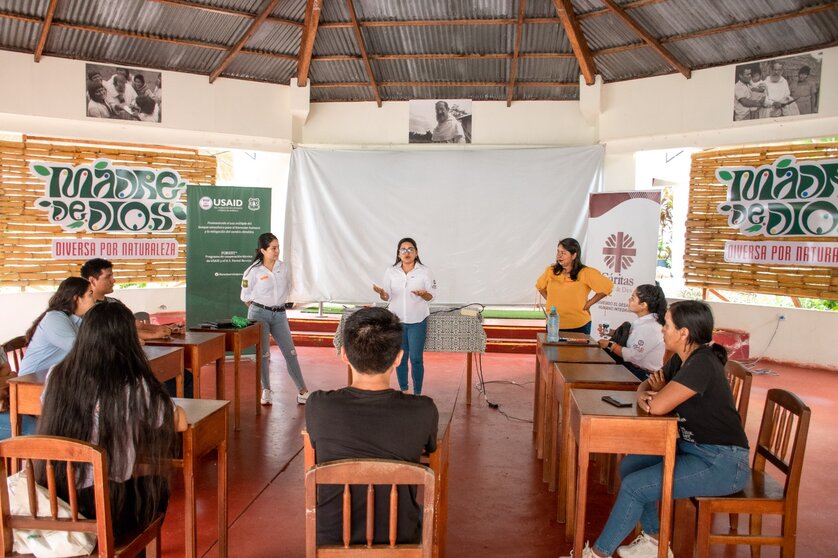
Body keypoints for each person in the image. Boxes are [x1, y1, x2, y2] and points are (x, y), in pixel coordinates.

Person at [564, 300, 750, 558]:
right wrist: (648, 395)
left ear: (684, 333)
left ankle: (597, 554)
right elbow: (645, 387)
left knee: (635, 486)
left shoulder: (702, 364)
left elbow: (658, 405)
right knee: (630, 467)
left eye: (668, 325)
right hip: (691, 449)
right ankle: (653, 542)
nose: (663, 329)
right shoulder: (681, 360)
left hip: (722, 462)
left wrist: (654, 396)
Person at [37, 302, 187, 543]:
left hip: (55, 500)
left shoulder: (57, 373)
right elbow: (178, 422)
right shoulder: (133, 382)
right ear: (128, 339)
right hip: (105, 506)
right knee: (156, 485)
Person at [306, 306, 439, 545]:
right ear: (399, 358)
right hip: (400, 536)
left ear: (344, 354)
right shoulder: (423, 410)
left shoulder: (318, 405)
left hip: (332, 537)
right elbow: (430, 448)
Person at [81, 258, 192, 398]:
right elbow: (120, 333)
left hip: (132, 356)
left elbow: (136, 325)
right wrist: (155, 334)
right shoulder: (88, 309)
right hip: (114, 364)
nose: (113, 280)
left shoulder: (114, 302)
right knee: (168, 378)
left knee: (181, 374)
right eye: (108, 276)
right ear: (92, 280)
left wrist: (166, 328)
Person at [241, 233, 309, 405]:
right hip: (259, 315)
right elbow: (245, 296)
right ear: (263, 250)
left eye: (278, 247)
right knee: (263, 354)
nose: (277, 251)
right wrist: (260, 311)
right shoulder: (252, 271)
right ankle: (266, 390)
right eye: (273, 248)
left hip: (279, 315)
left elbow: (289, 288)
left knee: (290, 353)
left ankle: (303, 391)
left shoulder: (283, 267)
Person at [372, 237, 436, 395]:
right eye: (403, 249)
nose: (407, 252)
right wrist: (382, 293)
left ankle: (417, 393)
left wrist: (424, 294)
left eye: (410, 249)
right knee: (400, 359)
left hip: (418, 321)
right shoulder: (391, 271)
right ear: (398, 253)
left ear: (416, 252)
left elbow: (432, 296)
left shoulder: (425, 271)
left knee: (416, 359)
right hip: (397, 322)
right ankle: (404, 391)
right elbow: (387, 296)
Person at [18, 277, 96, 376]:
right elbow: (82, 351)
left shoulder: (76, 319)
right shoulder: (54, 319)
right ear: (77, 298)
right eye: (90, 295)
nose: (94, 300)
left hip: (53, 377)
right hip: (31, 380)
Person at [535, 238, 613, 335]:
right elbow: (540, 286)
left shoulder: (585, 272)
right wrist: (551, 300)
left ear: (574, 255)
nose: (559, 255)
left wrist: (588, 304)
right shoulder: (551, 271)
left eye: (563, 253)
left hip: (579, 325)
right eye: (558, 252)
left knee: (578, 351)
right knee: (552, 350)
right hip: (554, 324)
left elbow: (607, 287)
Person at [597, 284, 667, 381]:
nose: (629, 300)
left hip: (640, 375)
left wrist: (610, 345)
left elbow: (633, 356)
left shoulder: (650, 327)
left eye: (633, 298)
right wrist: (611, 332)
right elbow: (631, 335)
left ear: (643, 305)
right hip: (634, 369)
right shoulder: (645, 321)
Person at [0, 351, 37, 439]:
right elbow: (11, 376)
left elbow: (8, 370)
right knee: (37, 433)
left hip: (6, 407)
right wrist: (10, 378)